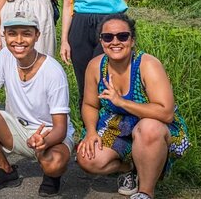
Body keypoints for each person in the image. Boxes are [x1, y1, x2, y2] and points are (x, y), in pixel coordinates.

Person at [76, 14, 190, 199]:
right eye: (108, 37)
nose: (115, 42)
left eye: (122, 36)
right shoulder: (95, 66)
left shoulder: (148, 65)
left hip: (154, 125)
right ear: (101, 41)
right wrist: (90, 132)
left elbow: (166, 113)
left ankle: (145, 192)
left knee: (149, 128)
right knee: (87, 158)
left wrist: (121, 101)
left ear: (132, 40)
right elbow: (90, 104)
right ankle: (129, 168)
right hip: (116, 124)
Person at [0, 11, 74, 196]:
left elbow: (60, 128)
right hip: (17, 127)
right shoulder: (5, 55)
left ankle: (51, 177)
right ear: (5, 35)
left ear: (37, 36)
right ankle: (5, 170)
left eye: (26, 33)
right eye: (12, 33)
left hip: (48, 132)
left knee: (53, 164)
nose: (19, 40)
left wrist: (44, 141)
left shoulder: (53, 72)